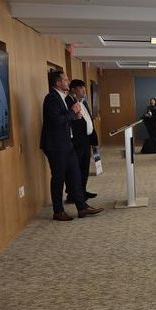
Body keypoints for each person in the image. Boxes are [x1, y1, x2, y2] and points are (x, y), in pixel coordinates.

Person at [40, 70, 103, 221]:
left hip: (67, 143)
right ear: (58, 82)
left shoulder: (63, 97)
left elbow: (66, 119)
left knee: (75, 175)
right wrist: (72, 113)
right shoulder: (51, 98)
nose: (68, 82)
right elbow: (56, 121)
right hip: (55, 145)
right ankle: (58, 211)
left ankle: (82, 207)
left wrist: (74, 116)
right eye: (65, 79)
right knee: (58, 178)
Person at [64, 79, 98, 204]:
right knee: (76, 169)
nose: (84, 90)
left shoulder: (82, 102)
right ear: (73, 89)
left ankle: (82, 190)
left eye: (84, 87)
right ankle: (73, 194)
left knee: (84, 168)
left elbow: (88, 120)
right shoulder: (68, 102)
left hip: (85, 139)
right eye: (81, 88)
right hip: (76, 141)